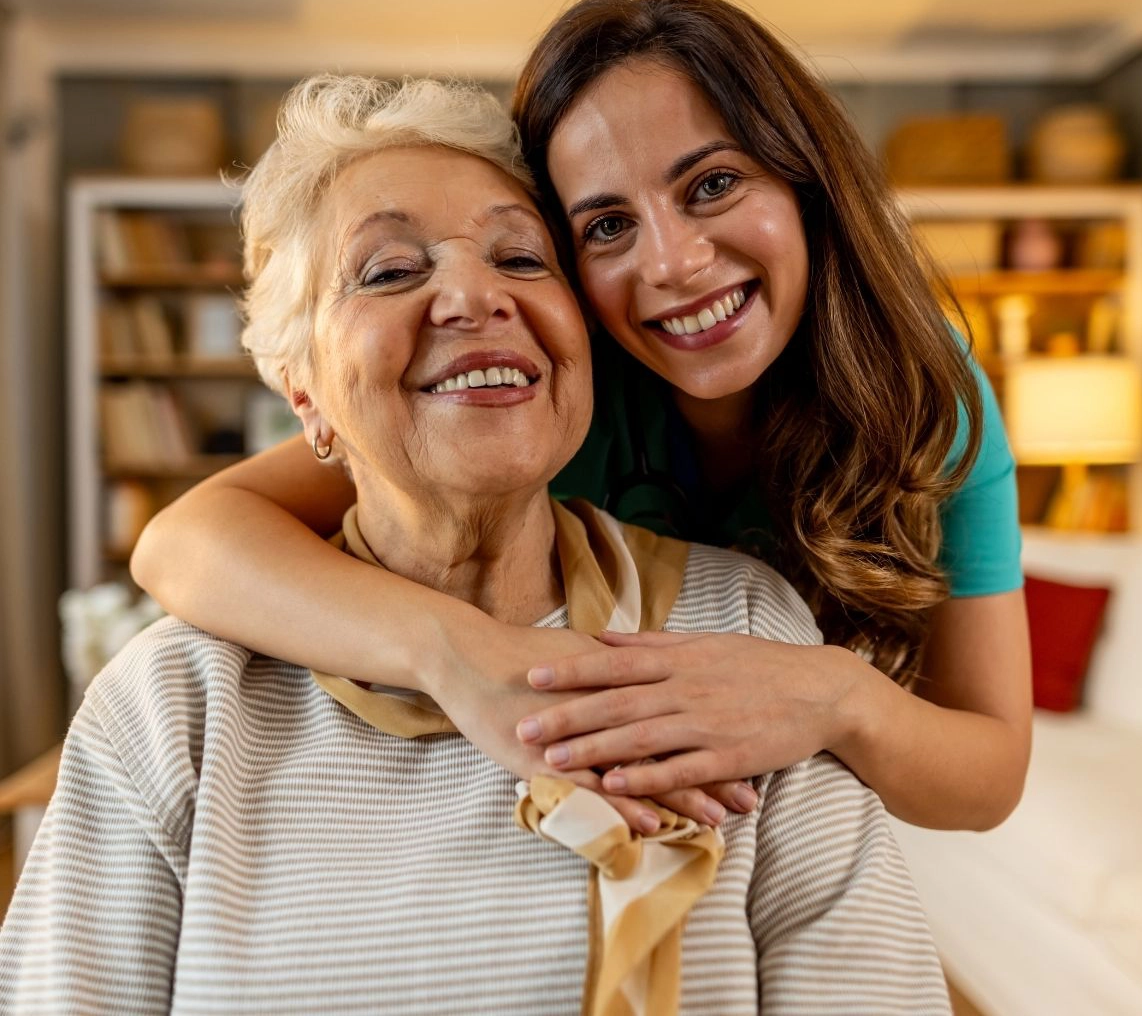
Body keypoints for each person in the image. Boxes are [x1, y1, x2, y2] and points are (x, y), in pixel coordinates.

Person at [0, 75, 950, 1015]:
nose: (473, 295)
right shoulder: (173, 706)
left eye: (522, 259)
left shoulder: (741, 622)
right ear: (304, 395)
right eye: (388, 271)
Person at [131, 0, 1031, 835]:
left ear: (808, 183)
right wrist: (457, 654)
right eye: (606, 226)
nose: (672, 263)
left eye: (712, 184)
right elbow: (183, 543)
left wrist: (842, 700)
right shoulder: (542, 398)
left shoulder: (925, 403)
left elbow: (989, 772)